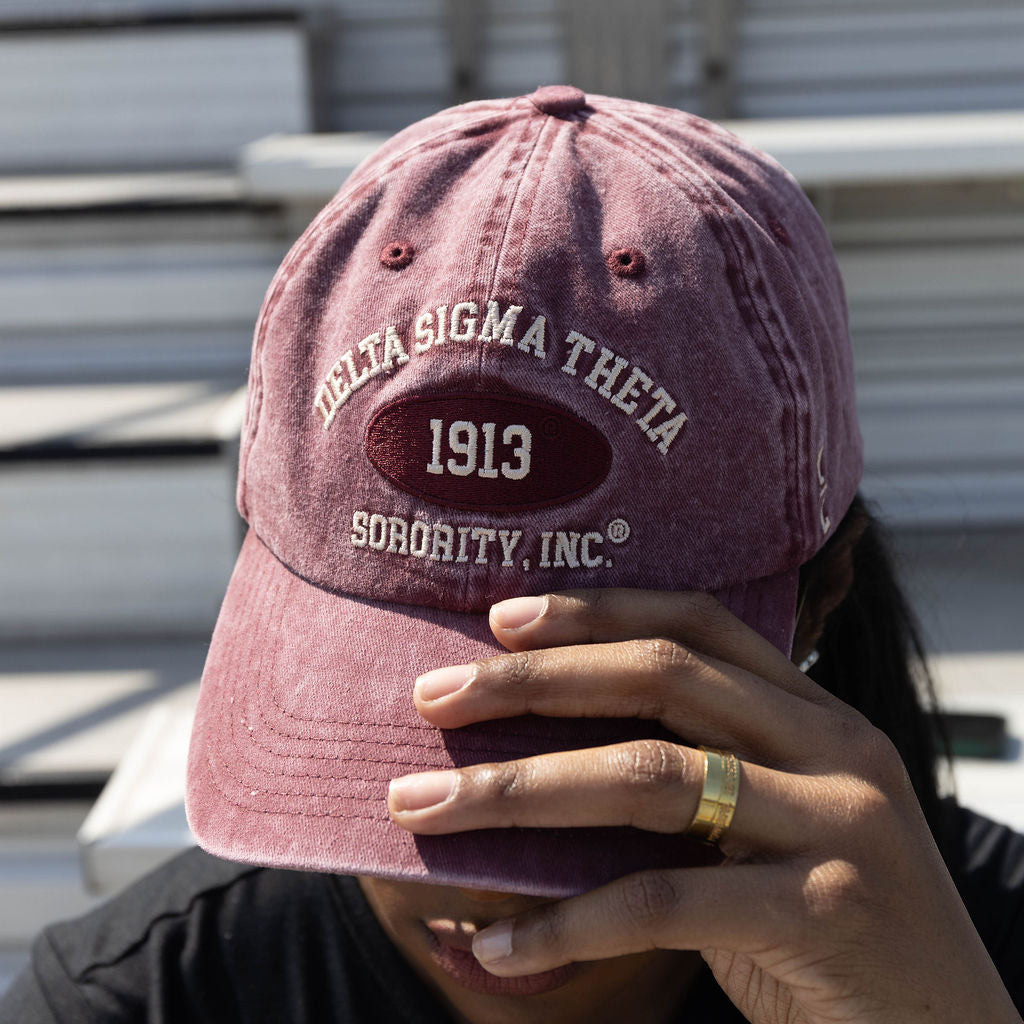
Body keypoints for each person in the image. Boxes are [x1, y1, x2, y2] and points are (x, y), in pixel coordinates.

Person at [3, 85, 1023, 1024]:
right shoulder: (132, 998)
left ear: (821, 600)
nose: (482, 882)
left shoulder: (969, 963)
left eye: (582, 733)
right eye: (392, 720)